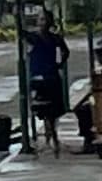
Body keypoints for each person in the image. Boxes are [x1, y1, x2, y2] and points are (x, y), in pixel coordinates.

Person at [24, 14, 72, 155]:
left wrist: (59, 64)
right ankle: (50, 136)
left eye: (45, 20)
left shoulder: (55, 38)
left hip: (51, 76)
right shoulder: (33, 38)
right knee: (42, 110)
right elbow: (22, 33)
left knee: (53, 110)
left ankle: (51, 136)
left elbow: (66, 51)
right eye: (41, 19)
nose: (43, 22)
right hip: (38, 78)